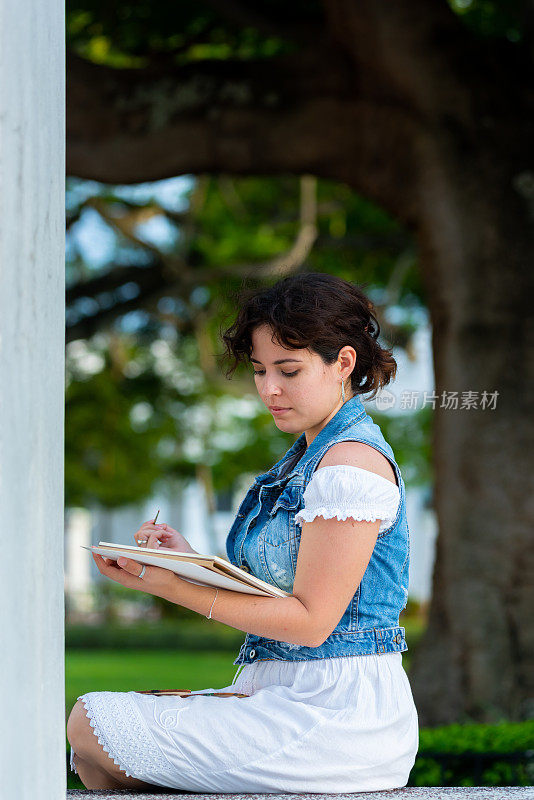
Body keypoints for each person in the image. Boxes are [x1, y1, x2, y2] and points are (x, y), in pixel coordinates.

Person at [67, 272, 419, 792]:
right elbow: (273, 591)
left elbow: (310, 623)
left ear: (343, 363)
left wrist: (173, 588)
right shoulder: (306, 457)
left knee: (92, 722)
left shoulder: (351, 465)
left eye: (289, 370)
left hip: (338, 715)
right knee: (92, 740)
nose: (269, 389)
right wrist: (186, 561)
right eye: (259, 370)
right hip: (281, 697)